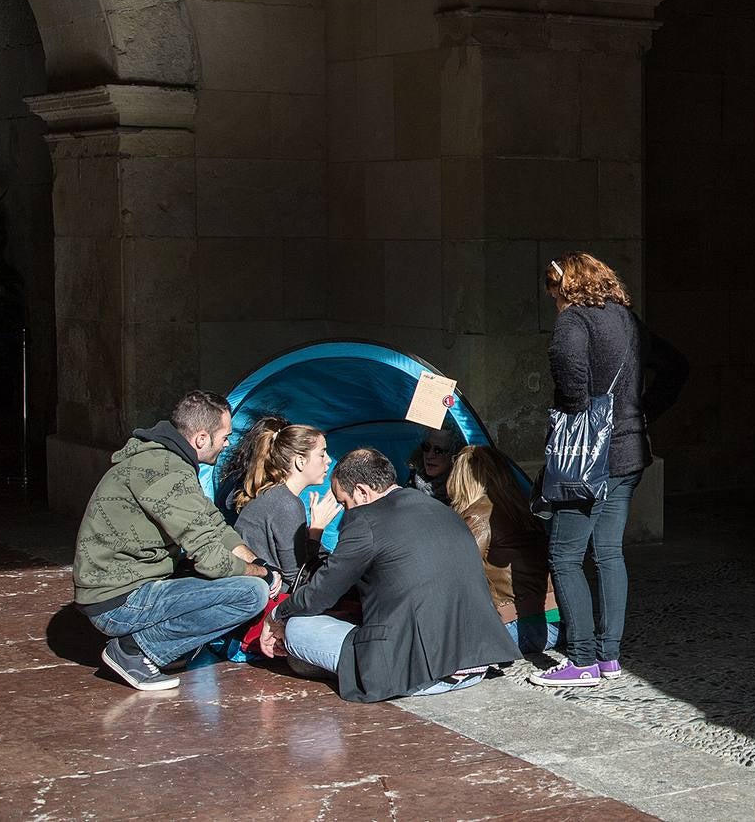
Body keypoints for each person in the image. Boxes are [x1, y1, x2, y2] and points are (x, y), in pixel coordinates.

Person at [258, 448, 520, 702]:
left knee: (298, 629)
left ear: (362, 491)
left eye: (344, 503)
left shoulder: (365, 520)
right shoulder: (440, 509)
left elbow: (320, 594)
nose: (344, 515)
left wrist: (278, 614)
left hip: (420, 673)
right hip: (478, 662)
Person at [72, 391, 281, 691]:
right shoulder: (166, 472)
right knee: (250, 593)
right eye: (225, 436)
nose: (227, 443)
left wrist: (256, 561)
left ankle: (158, 644)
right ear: (200, 439)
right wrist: (263, 575)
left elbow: (213, 525)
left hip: (124, 586)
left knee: (236, 578)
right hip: (118, 602)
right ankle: (135, 649)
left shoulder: (166, 459)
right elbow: (210, 559)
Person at [531, 252, 649, 687]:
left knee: (564, 556)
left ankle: (581, 659)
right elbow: (667, 368)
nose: (553, 302)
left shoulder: (573, 320)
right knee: (609, 554)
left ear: (564, 288)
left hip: (587, 460)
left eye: (552, 293)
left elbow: (570, 375)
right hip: (629, 451)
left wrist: (578, 413)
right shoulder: (625, 318)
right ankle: (610, 657)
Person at [448, 445, 561, 653]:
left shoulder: (477, 516)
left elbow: (456, 574)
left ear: (461, 480)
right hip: (555, 622)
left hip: (517, 625)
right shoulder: (524, 506)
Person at [230, 424, 340, 589]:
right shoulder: (287, 504)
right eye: (322, 454)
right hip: (269, 596)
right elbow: (296, 579)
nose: (328, 460)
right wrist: (317, 530)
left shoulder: (274, 494)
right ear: (300, 461)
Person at [406, 426, 463, 504]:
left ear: (454, 455)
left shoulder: (459, 494)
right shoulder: (412, 478)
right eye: (426, 447)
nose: (429, 456)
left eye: (438, 451)